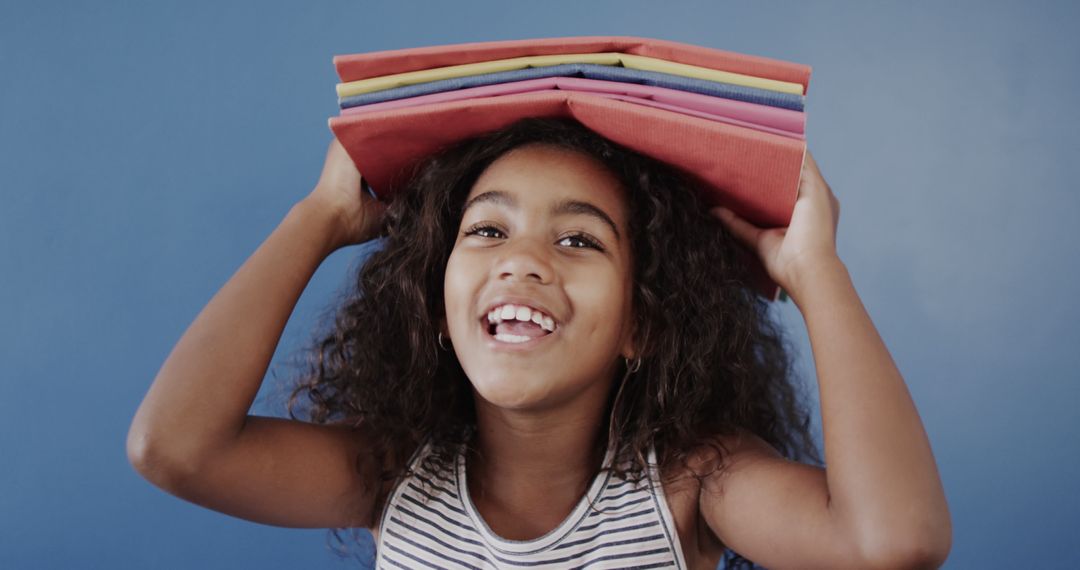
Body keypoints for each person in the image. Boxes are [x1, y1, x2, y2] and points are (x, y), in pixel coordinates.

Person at [127, 117, 951, 569]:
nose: (521, 261)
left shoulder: (692, 484)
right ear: (435, 302)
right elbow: (174, 449)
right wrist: (318, 220)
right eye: (487, 229)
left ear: (644, 322)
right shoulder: (392, 478)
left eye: (580, 241)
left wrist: (816, 272)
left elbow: (894, 543)